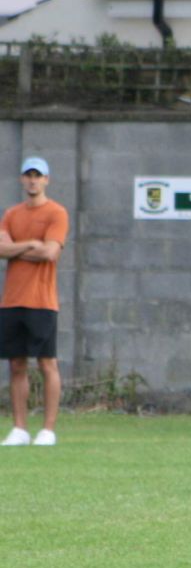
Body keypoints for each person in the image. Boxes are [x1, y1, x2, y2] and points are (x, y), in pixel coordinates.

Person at [0, 157, 69, 447]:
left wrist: (16, 250)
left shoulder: (57, 213)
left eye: (37, 176)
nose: (32, 180)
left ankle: (48, 430)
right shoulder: (12, 214)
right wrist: (29, 244)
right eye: (28, 175)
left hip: (42, 301)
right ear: (21, 179)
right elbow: (2, 249)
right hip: (12, 300)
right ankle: (20, 428)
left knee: (47, 363)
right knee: (16, 364)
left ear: (46, 180)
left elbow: (50, 253)